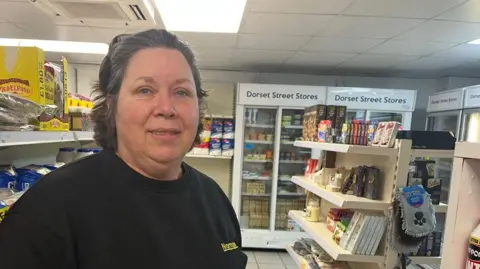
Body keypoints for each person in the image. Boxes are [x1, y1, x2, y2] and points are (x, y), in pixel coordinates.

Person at [0, 29, 247, 269]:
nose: (166, 107)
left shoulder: (214, 198)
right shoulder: (49, 210)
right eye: (145, 90)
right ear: (111, 105)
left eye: (182, 92)